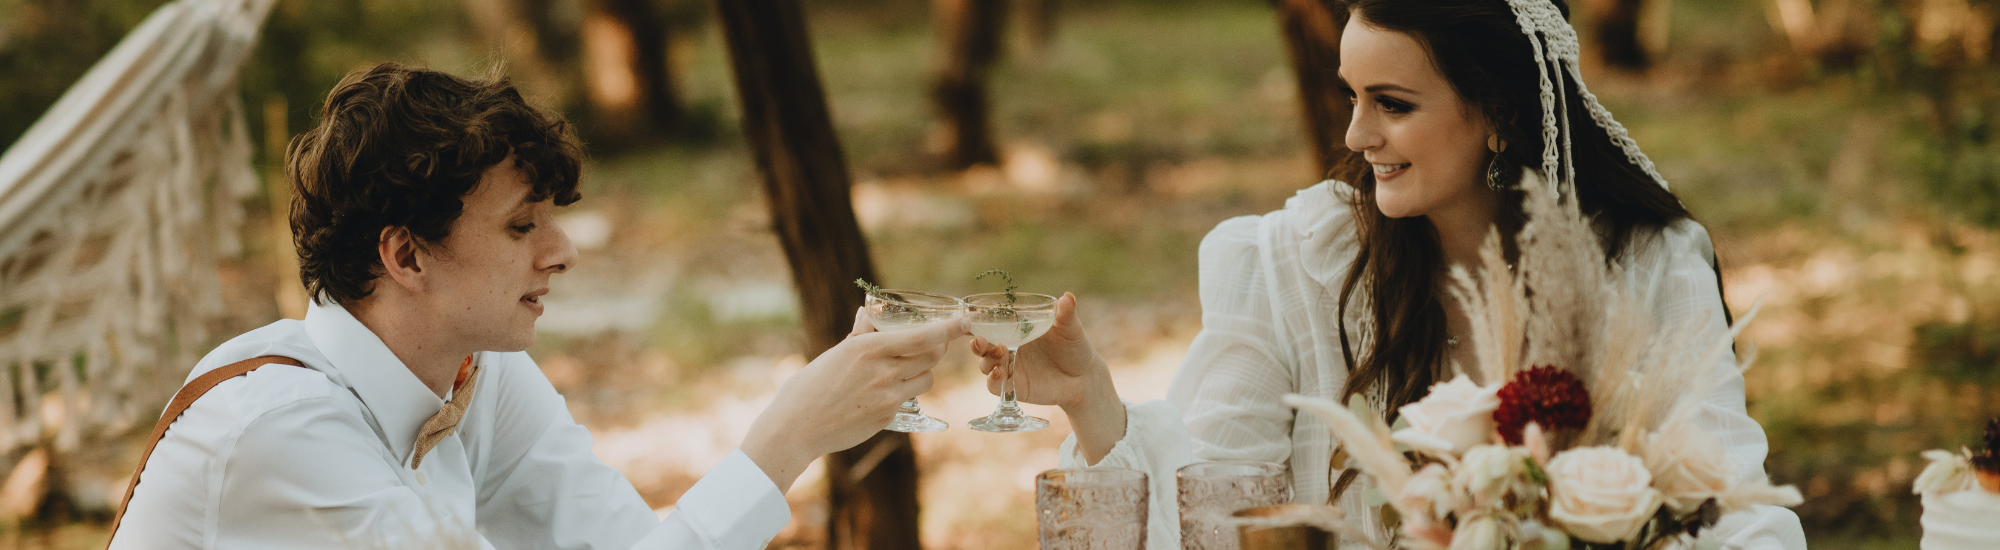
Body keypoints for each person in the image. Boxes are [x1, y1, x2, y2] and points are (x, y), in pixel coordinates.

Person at [971, 0, 1809, 548]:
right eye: (1351, 96)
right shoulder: (1297, 259)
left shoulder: (1644, 264)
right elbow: (1216, 507)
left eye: (1394, 104)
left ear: (1502, 114)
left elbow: (1741, 509)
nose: (1359, 134)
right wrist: (1090, 397)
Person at [108, 63, 964, 549]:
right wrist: (787, 437)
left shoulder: (475, 377)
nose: (561, 252)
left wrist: (798, 435)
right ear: (406, 255)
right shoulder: (280, 425)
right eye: (522, 226)